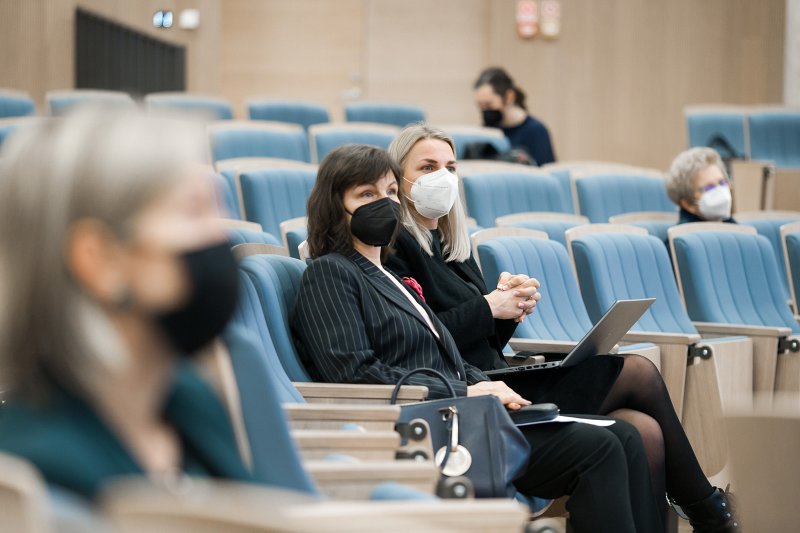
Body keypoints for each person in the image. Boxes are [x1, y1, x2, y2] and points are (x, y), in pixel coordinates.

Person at [384, 124, 741, 533]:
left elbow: (480, 337)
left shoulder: (452, 246)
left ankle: (702, 513)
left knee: (643, 429)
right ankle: (709, 511)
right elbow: (424, 336)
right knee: (637, 370)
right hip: (477, 392)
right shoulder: (395, 247)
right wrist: (488, 307)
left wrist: (509, 312)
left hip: (499, 374)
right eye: (427, 166)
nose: (442, 177)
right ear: (398, 179)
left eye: (450, 166)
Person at [291, 143, 665, 533]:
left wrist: (488, 383)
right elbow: (353, 375)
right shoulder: (330, 273)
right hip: (420, 430)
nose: (383, 203)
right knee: (600, 447)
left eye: (388, 192)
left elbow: (444, 356)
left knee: (625, 434)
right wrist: (467, 392)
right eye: (367, 194)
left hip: (462, 414)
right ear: (335, 206)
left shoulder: (393, 277)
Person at [0, 111, 251, 500]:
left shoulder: (186, 400)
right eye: (195, 211)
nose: (221, 233)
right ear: (100, 261)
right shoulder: (40, 476)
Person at [473, 67, 556, 166]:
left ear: (509, 97)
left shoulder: (536, 130)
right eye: (481, 106)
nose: (485, 111)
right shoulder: (489, 130)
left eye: (489, 105)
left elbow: (546, 172)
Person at [665, 147, 736, 224]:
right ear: (688, 204)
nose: (720, 190)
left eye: (722, 183)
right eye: (709, 188)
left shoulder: (739, 230)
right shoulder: (679, 235)